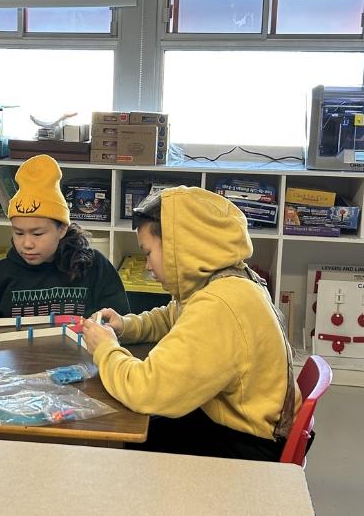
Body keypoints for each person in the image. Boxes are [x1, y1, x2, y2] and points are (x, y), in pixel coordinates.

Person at [81, 186, 300, 462]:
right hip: (238, 421)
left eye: (148, 252)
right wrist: (126, 326)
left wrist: (105, 349)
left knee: (123, 443)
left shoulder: (219, 305)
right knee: (146, 426)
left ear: (178, 249)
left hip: (248, 445)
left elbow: (146, 390)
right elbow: (172, 316)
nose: (147, 265)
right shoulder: (225, 279)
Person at [0, 154, 129, 318]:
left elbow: (118, 324)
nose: (27, 244)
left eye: (37, 234)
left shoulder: (94, 267)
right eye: (19, 233)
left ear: (62, 229)